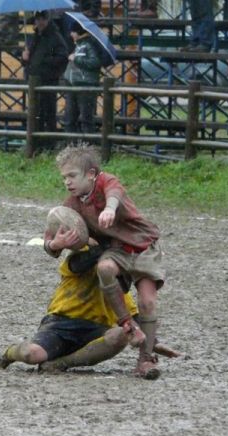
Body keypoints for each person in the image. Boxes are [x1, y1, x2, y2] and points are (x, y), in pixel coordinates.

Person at [50, 144, 164, 380]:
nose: (67, 182)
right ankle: (128, 327)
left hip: (143, 247)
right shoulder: (72, 202)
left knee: (148, 303)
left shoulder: (106, 182)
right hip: (117, 250)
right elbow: (49, 240)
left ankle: (146, 360)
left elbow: (115, 195)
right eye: (64, 178)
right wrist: (56, 244)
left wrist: (110, 209)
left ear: (91, 174)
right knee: (104, 267)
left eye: (72, 176)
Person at [0, 239, 181, 372]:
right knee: (32, 354)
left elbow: (136, 319)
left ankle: (61, 363)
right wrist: (108, 245)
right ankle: (8, 353)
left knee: (122, 334)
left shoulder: (117, 290)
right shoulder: (81, 260)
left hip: (95, 333)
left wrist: (152, 344)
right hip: (60, 325)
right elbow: (76, 264)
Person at [22, 10, 68, 149]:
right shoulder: (35, 37)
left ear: (47, 20)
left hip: (48, 80)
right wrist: (24, 57)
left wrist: (43, 62)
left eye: (42, 19)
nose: (39, 23)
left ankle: (49, 144)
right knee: (36, 112)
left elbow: (62, 57)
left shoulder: (55, 37)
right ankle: (36, 144)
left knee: (48, 113)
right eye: (37, 20)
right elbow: (29, 60)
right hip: (34, 80)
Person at [63, 21, 103, 134]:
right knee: (70, 118)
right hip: (73, 85)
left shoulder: (89, 45)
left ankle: (87, 147)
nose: (71, 34)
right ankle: (71, 146)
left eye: (72, 31)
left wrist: (75, 59)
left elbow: (95, 62)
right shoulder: (79, 45)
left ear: (78, 32)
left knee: (86, 118)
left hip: (85, 85)